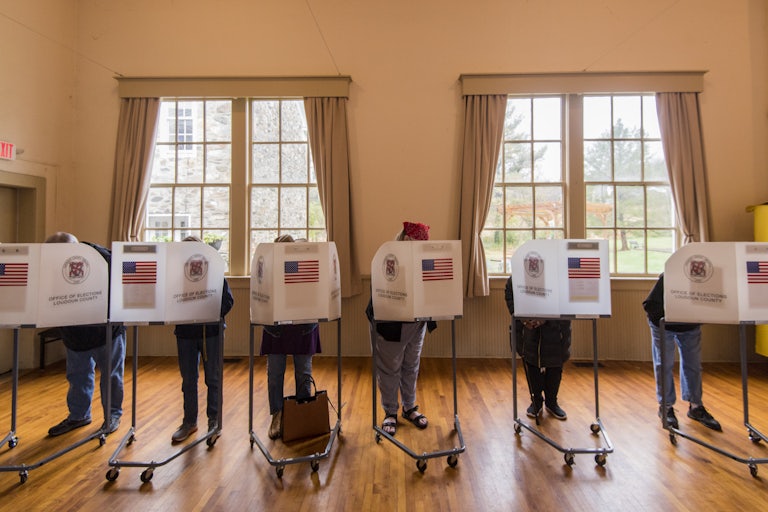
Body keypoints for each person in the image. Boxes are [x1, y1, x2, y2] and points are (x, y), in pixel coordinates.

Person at [45, 232, 127, 437]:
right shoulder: (49, 262)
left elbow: (123, 281)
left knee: (111, 376)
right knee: (77, 376)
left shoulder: (102, 256)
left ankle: (112, 416)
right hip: (74, 330)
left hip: (107, 329)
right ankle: (79, 415)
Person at [366, 221, 436, 436]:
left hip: (417, 321)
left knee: (411, 365)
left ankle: (409, 407)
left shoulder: (423, 259)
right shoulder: (390, 259)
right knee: (389, 368)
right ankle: (390, 412)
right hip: (390, 323)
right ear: (407, 240)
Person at [171, 236, 235, 443]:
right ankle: (189, 422)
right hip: (185, 334)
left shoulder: (213, 271)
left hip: (211, 333)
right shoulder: (175, 275)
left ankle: (214, 420)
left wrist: (209, 313)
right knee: (188, 380)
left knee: (213, 379)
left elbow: (228, 301)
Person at [260, 234, 322, 440]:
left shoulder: (302, 267)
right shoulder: (267, 271)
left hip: (302, 326)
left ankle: (302, 414)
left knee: (303, 372)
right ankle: (277, 415)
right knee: (275, 374)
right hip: (276, 328)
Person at [643, 273, 722, 431]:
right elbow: (650, 304)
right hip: (662, 323)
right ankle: (665, 407)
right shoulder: (669, 275)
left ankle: (696, 407)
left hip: (690, 325)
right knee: (664, 364)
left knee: (693, 365)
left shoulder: (708, 279)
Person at [504, 276, 571, 420]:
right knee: (532, 362)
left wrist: (545, 317)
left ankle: (552, 402)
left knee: (555, 365)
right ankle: (536, 401)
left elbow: (564, 295)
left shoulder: (558, 267)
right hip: (529, 328)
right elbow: (510, 290)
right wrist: (521, 316)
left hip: (556, 328)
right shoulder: (523, 265)